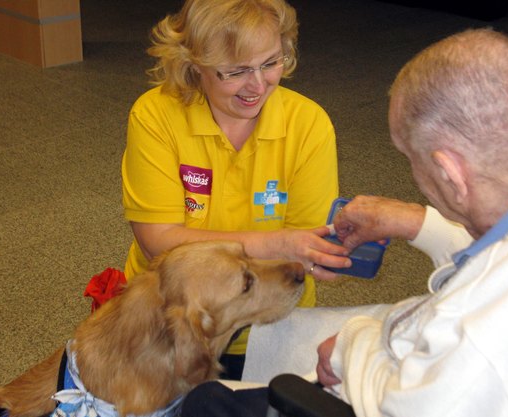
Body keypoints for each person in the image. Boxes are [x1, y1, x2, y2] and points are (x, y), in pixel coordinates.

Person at [180, 28, 508, 417]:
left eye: (412, 163)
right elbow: (504, 249)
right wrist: (418, 221)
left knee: (207, 407)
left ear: (450, 172)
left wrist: (353, 346)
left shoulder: (491, 325)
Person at [121, 0, 349, 378]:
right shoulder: (155, 115)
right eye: (236, 71)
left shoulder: (309, 124)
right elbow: (158, 243)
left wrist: (320, 253)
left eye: (270, 62)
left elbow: (304, 247)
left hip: (271, 322)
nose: (258, 85)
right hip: (175, 322)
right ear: (194, 65)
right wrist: (278, 243)